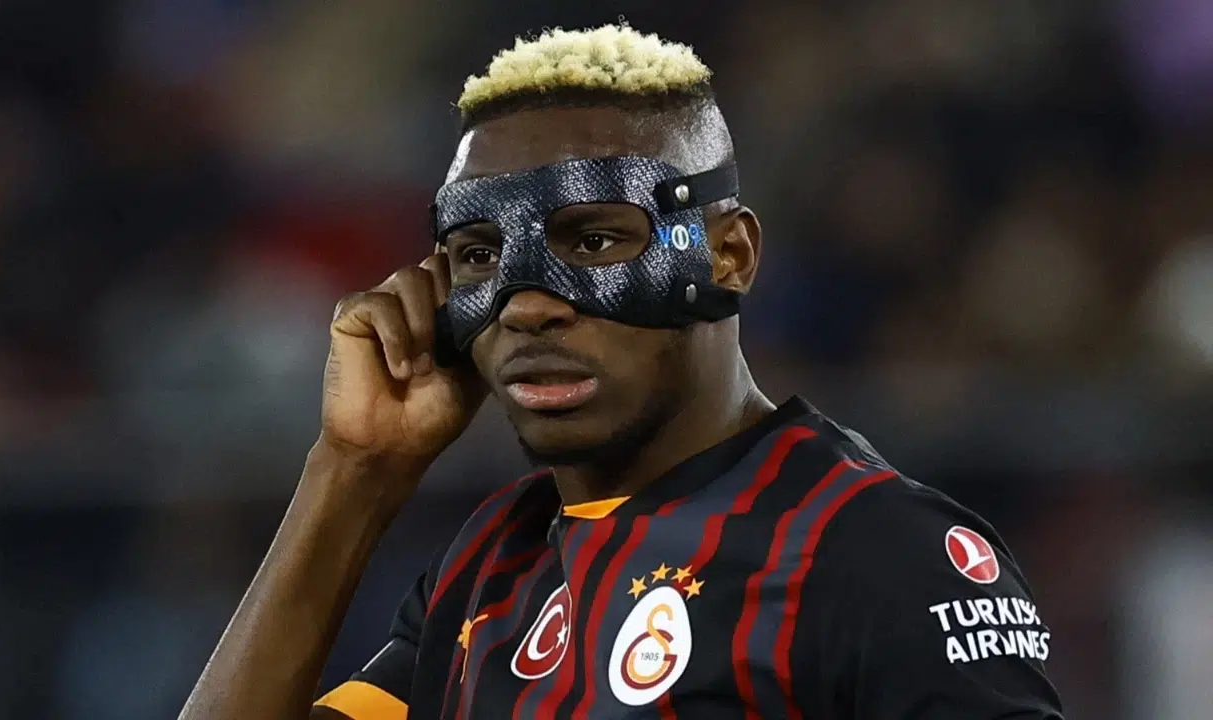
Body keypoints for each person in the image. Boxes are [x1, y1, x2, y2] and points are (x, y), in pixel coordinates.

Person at [180, 23, 1064, 720]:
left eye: (594, 239)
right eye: (481, 255)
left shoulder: (876, 553)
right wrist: (353, 472)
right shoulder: (487, 568)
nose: (528, 305)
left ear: (728, 255)